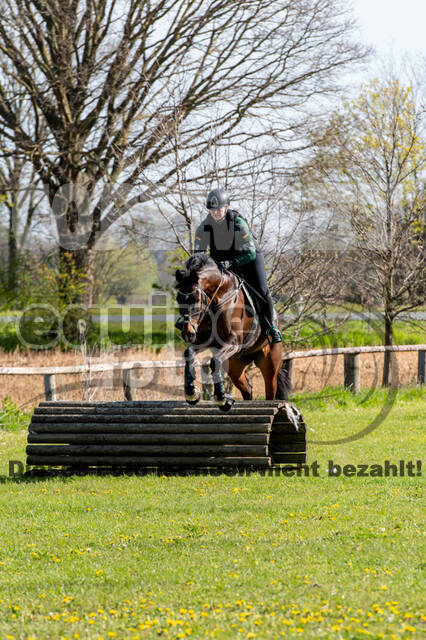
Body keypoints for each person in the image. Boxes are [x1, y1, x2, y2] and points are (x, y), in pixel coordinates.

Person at [193, 187, 282, 344]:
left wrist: (231, 263)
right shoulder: (204, 227)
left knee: (261, 289)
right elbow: (198, 254)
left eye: (218, 209)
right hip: (222, 262)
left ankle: (270, 327)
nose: (215, 213)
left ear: (226, 207)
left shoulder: (238, 223)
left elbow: (250, 253)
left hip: (248, 258)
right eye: (211, 210)